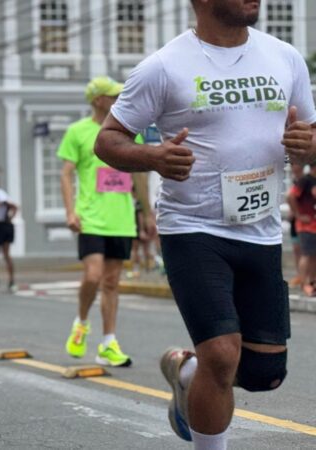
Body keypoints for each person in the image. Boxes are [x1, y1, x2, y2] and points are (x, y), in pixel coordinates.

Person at [94, 1, 316, 447]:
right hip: (193, 228)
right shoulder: (162, 67)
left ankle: (186, 371)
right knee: (221, 353)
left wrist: (308, 145)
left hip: (261, 228)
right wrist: (152, 157)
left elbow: (310, 136)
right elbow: (109, 140)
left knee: (263, 375)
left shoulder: (285, 57)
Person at [58, 76, 151, 368]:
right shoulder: (78, 131)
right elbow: (65, 173)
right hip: (91, 218)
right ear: (98, 100)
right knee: (93, 276)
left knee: (111, 283)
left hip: (121, 219)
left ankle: (108, 343)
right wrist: (70, 212)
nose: (117, 99)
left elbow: (139, 173)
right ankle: (82, 322)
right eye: (112, 96)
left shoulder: (128, 133)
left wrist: (148, 213)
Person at [288, 164, 316, 296]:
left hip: (314, 225)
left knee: (313, 256)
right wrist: (298, 214)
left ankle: (311, 282)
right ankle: (304, 283)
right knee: (306, 254)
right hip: (306, 226)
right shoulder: (305, 180)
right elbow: (290, 196)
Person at [286, 164, 305, 288]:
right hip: (294, 221)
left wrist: (297, 213)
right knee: (297, 250)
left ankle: (306, 278)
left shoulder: (306, 181)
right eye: (292, 165)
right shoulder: (294, 180)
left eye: (295, 165)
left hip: (304, 221)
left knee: (306, 252)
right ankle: (300, 276)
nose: (293, 167)